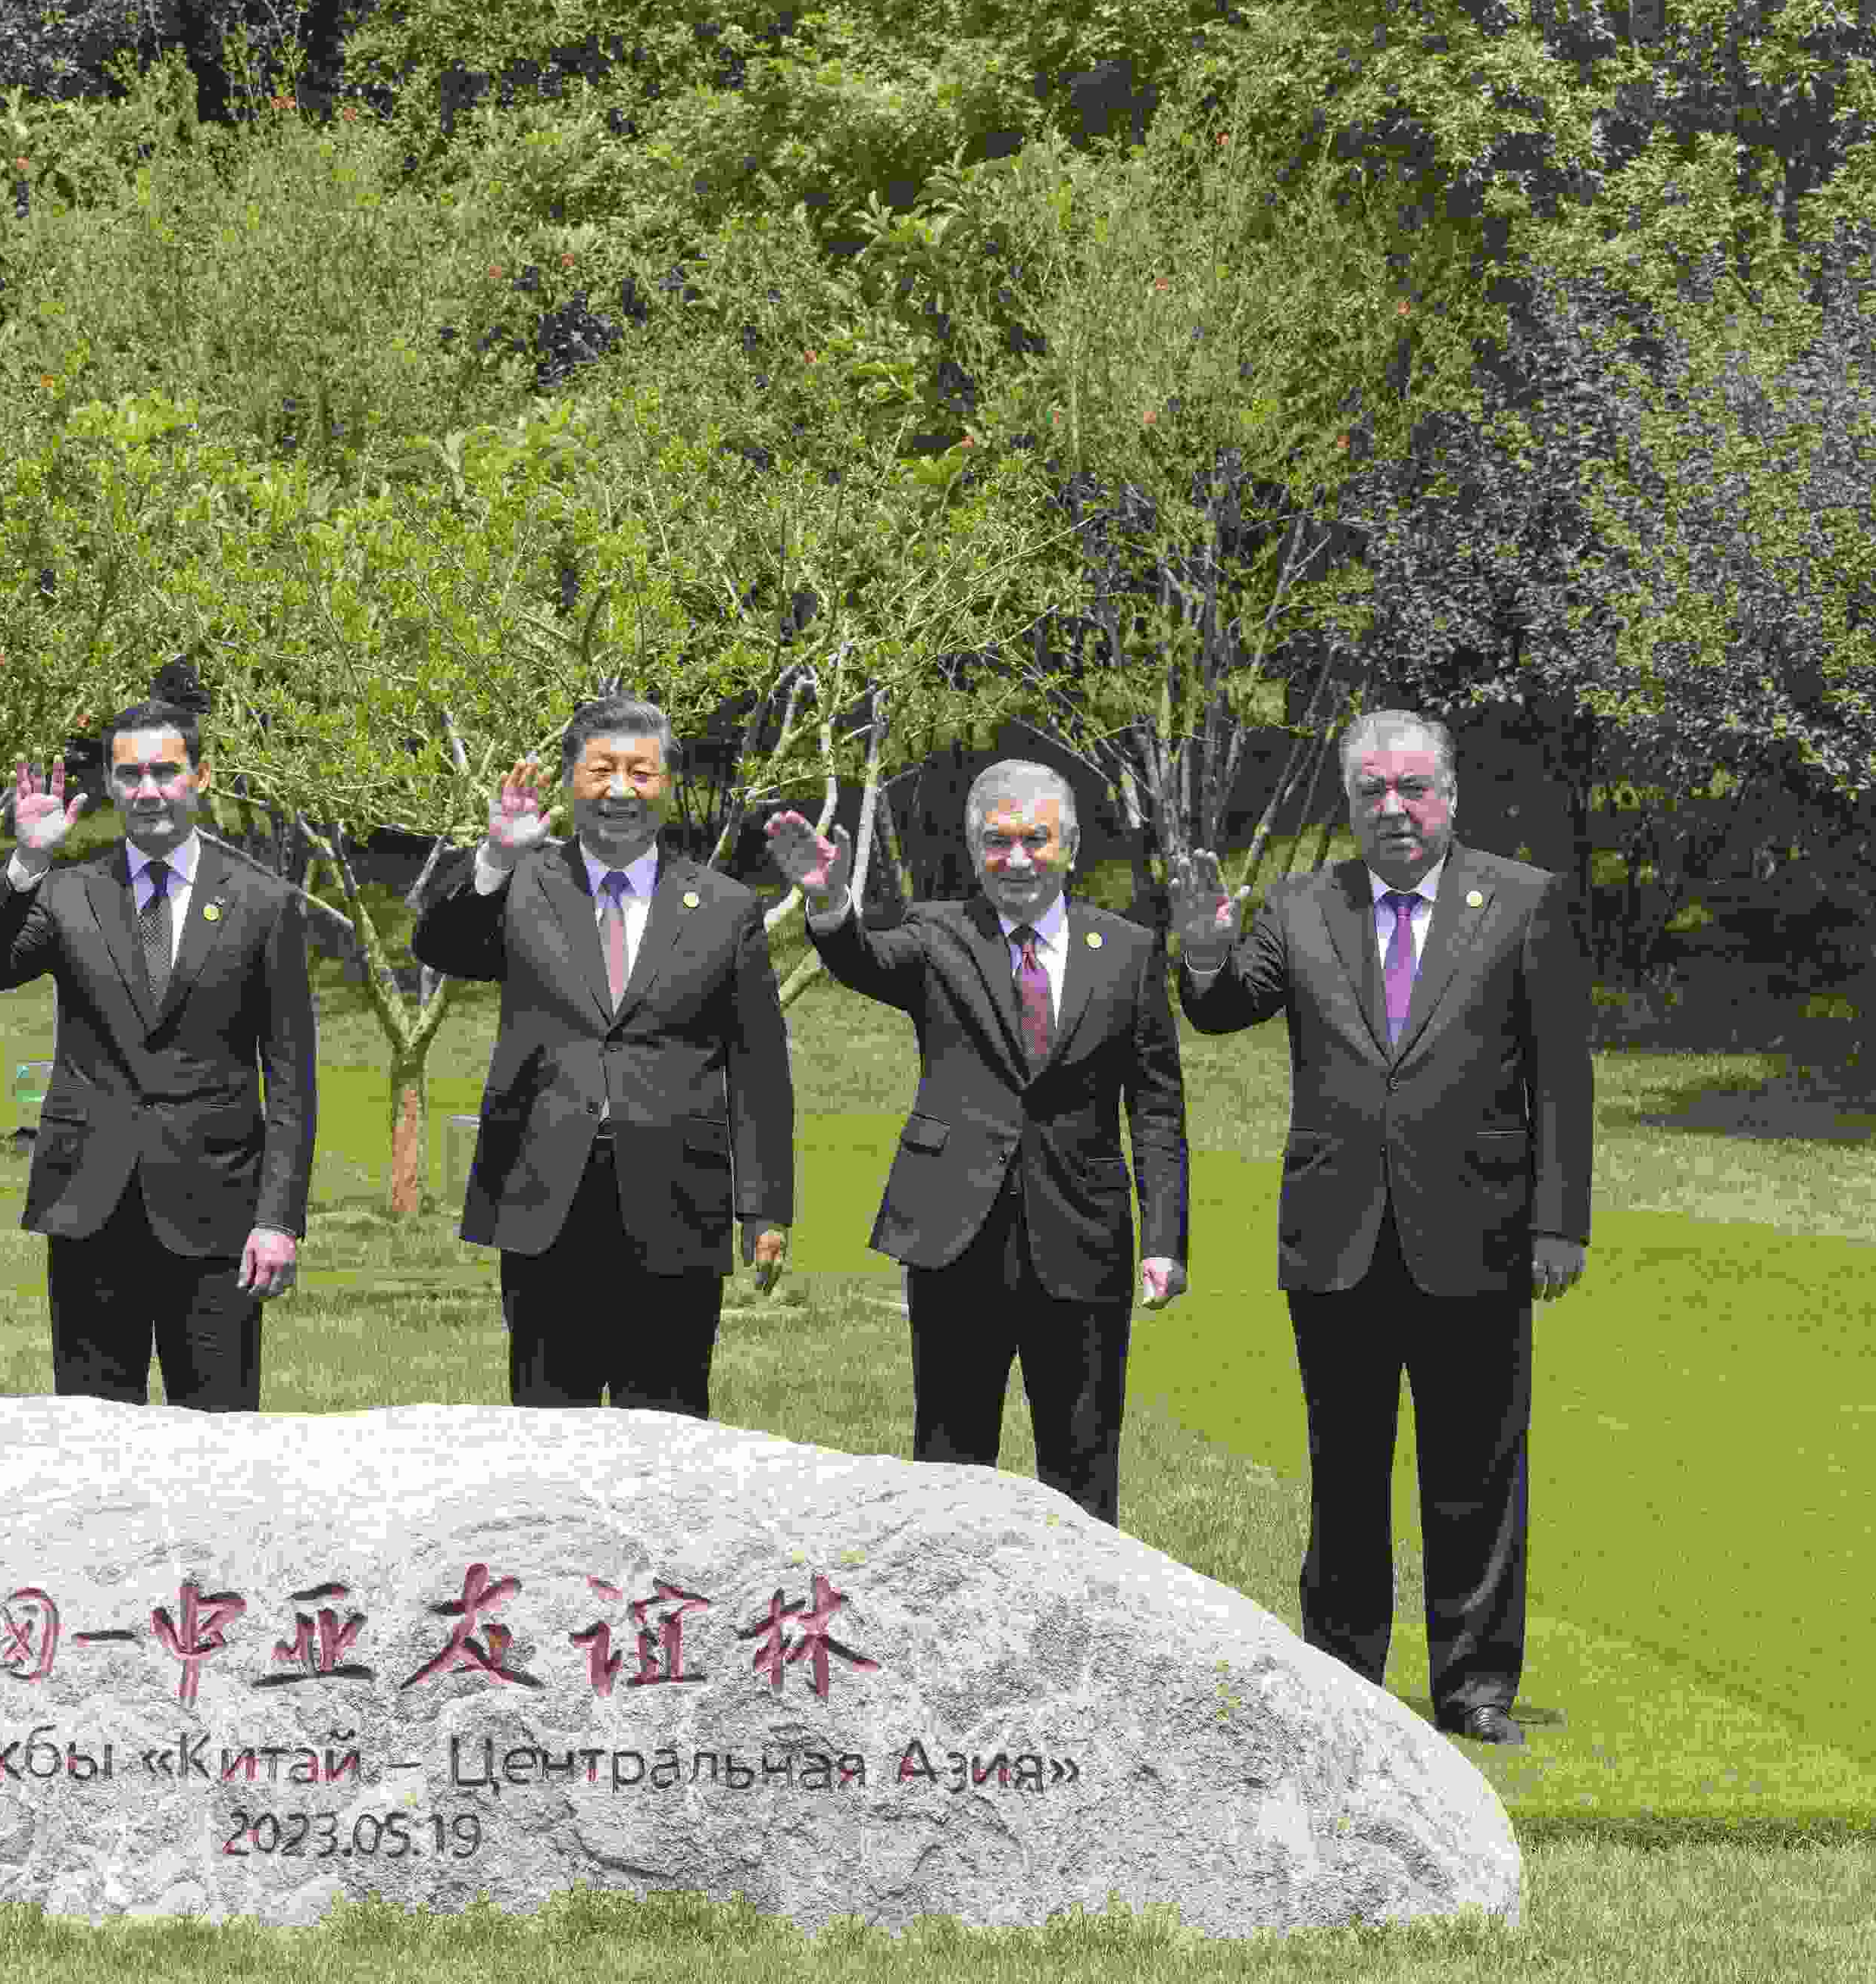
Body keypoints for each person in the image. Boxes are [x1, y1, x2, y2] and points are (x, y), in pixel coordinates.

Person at [1173, 708, 1593, 1748]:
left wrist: (1559, 1224)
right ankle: (1342, 1674)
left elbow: (1561, 1078)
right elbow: (1225, 1007)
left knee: (1476, 1473)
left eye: (1413, 787)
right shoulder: (1303, 903)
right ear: (1351, 803)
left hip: (1481, 1231)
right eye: (1373, 791)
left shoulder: (1523, 901)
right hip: (1338, 1236)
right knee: (1346, 1469)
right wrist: (1203, 946)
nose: (1394, 807)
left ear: (1449, 794)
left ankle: (1475, 1685)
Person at [766, 762, 1188, 1524]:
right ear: (973, 847)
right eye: (998, 841)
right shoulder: (938, 934)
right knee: (949, 1466)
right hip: (954, 1237)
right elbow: (864, 959)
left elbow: (1156, 1107)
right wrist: (828, 902)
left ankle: (1074, 1601)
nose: (1017, 858)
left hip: (1083, 1239)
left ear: (1069, 846)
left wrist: (1164, 1240)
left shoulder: (1128, 951)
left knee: (1082, 1468)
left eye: (1036, 839)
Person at [412, 694, 793, 1419]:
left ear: (667, 786)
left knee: (669, 1430)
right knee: (551, 1426)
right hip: (546, 1193)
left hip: (678, 1199)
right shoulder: (525, 883)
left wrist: (765, 1208)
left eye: (640, 773)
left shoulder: (724, 907)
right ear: (570, 781)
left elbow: (759, 1070)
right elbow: (442, 947)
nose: (620, 790)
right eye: (601, 770)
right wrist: (495, 857)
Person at [0, 700, 314, 1409]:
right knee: (91, 1440)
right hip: (90, 1208)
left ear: (201, 776)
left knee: (218, 1440)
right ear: (110, 786)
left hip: (216, 1218)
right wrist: (28, 860)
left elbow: (292, 1082)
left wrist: (277, 1219)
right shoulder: (68, 893)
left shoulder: (264, 904)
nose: (148, 791)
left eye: (164, 772)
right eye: (129, 775)